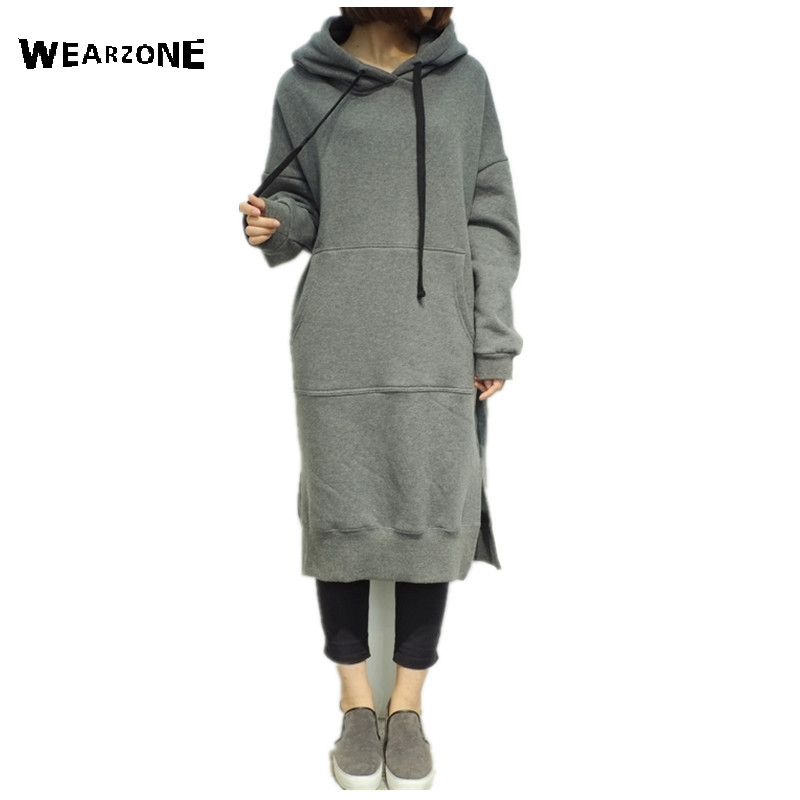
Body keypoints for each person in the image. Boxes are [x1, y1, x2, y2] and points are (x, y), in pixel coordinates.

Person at [239, 7, 522, 790]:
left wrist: (491, 337)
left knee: (432, 502)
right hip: (339, 335)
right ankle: (355, 702)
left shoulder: (466, 84)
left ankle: (409, 705)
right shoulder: (303, 87)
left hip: (438, 336)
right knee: (343, 508)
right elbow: (295, 198)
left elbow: (491, 219)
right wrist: (274, 223)